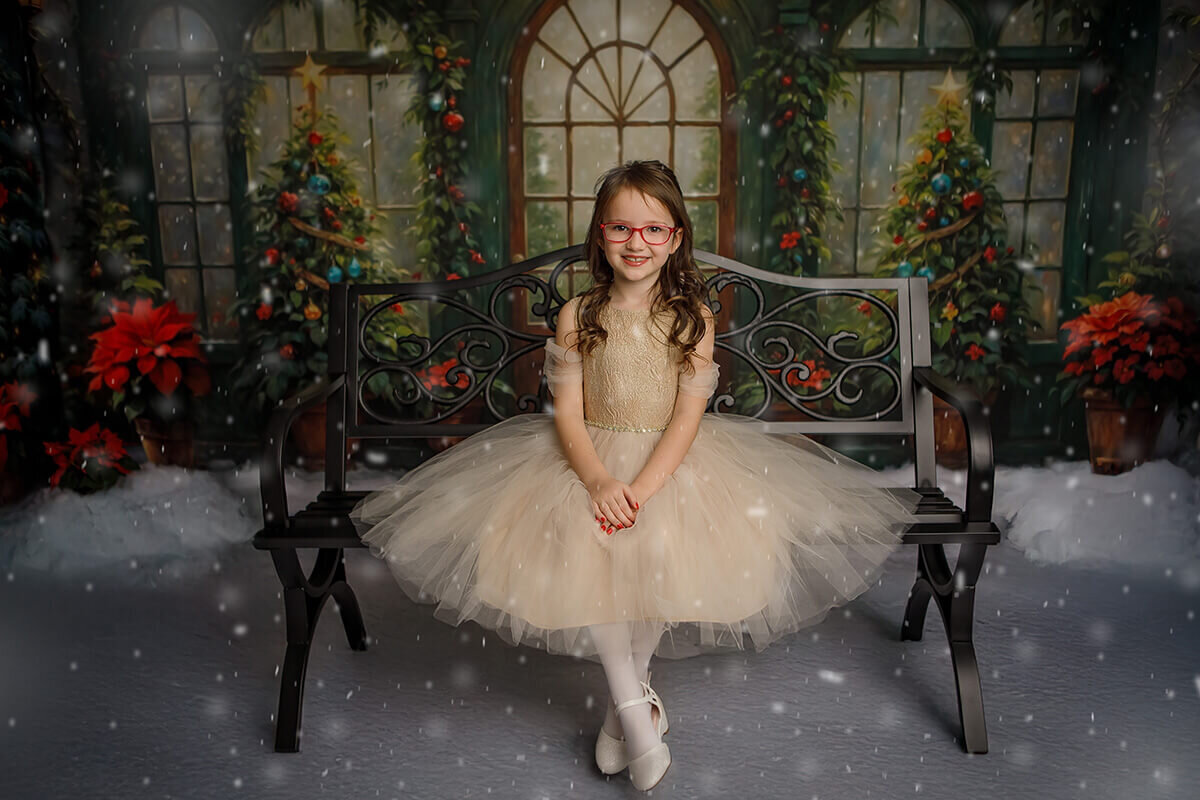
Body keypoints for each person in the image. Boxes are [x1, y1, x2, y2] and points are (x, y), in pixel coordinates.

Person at [350, 160, 923, 791]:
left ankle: (625, 710)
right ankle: (634, 710)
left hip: (670, 463)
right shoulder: (578, 314)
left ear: (675, 239)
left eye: (653, 230)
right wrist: (599, 481)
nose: (636, 243)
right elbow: (567, 414)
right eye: (621, 228)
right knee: (590, 540)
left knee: (653, 551)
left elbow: (686, 419)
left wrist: (644, 490)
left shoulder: (692, 318)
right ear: (600, 234)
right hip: (587, 458)